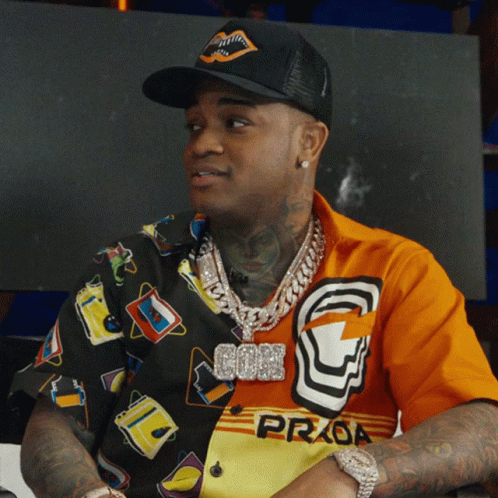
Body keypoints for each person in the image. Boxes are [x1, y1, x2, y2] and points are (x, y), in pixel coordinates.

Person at [12, 17, 498, 498]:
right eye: (194, 125)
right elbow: (54, 426)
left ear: (308, 142)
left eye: (236, 123)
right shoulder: (128, 266)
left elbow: (482, 429)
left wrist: (348, 474)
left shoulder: (393, 271)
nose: (202, 144)